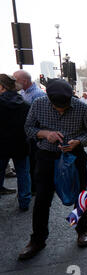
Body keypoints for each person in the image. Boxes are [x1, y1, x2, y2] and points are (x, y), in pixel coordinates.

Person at [19, 79, 87, 260]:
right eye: (57, 107)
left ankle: (82, 230)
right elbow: (28, 128)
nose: (61, 110)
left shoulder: (81, 108)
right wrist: (46, 134)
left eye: (65, 106)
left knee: (80, 196)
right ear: (49, 99)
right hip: (46, 157)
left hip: (74, 157)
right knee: (42, 199)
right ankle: (37, 239)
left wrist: (78, 141)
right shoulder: (38, 104)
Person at [0, 74, 32, 210]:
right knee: (23, 173)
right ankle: (24, 201)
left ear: (2, 87)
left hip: (1, 145)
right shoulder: (24, 104)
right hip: (21, 144)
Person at [14, 70, 46, 195]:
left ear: (24, 81)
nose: (14, 82)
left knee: (35, 163)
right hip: (26, 135)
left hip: (35, 136)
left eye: (15, 80)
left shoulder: (38, 94)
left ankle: (36, 188)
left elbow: (41, 118)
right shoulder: (22, 92)